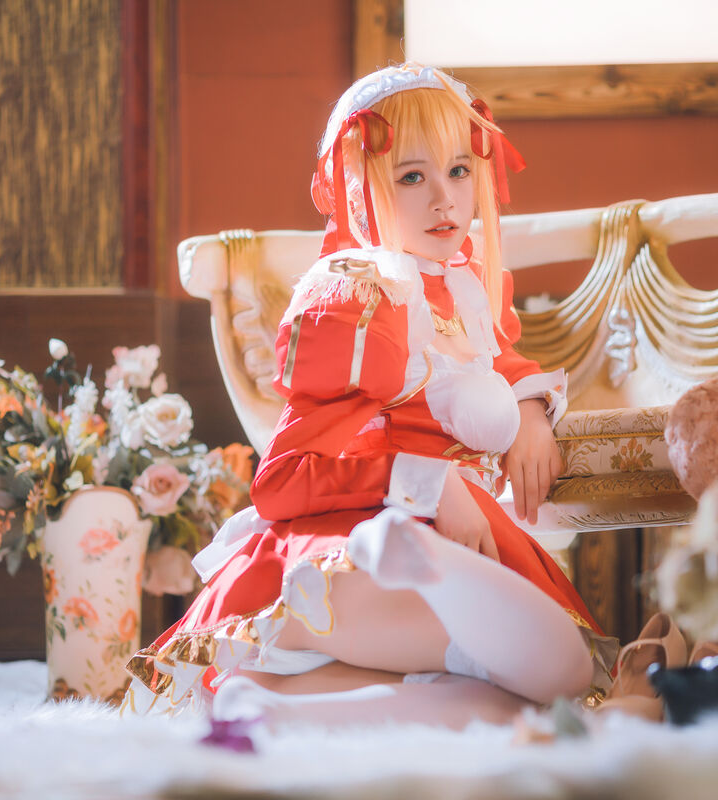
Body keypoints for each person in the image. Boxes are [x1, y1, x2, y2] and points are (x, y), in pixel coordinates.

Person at [124, 64, 617, 727]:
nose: (444, 199)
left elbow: (493, 359)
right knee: (560, 668)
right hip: (350, 556)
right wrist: (427, 485)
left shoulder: (463, 286)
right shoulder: (360, 297)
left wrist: (530, 409)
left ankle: (268, 703)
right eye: (411, 176)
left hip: (442, 552)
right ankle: (389, 579)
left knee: (516, 707)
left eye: (459, 170)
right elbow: (280, 480)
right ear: (361, 187)